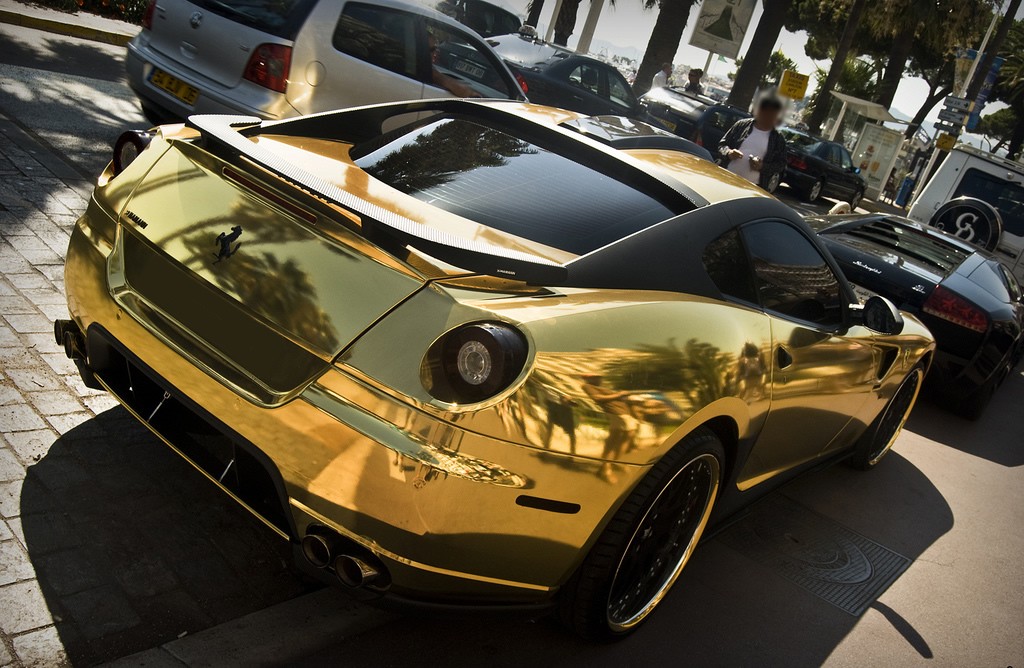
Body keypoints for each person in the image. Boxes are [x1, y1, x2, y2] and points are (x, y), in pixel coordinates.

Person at [717, 93, 787, 191]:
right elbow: (722, 145)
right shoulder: (741, 125)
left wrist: (762, 166)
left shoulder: (778, 138)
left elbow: (780, 165)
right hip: (725, 178)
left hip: (751, 188)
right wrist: (729, 153)